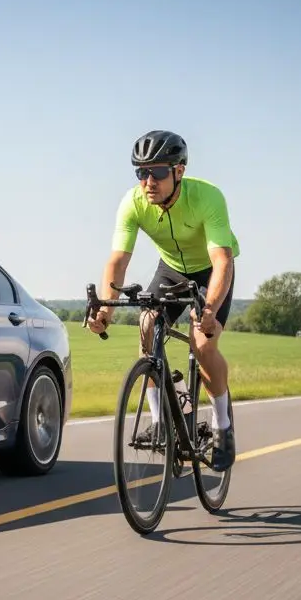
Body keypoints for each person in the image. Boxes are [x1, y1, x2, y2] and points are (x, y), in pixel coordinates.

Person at [87, 129, 240, 471]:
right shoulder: (133, 203)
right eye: (141, 173)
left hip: (209, 272)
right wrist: (105, 311)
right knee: (147, 325)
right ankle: (161, 418)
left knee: (203, 345)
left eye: (157, 172)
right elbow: (118, 262)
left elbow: (223, 262)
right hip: (171, 269)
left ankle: (222, 425)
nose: (148, 182)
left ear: (179, 171)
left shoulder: (208, 197)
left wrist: (210, 310)